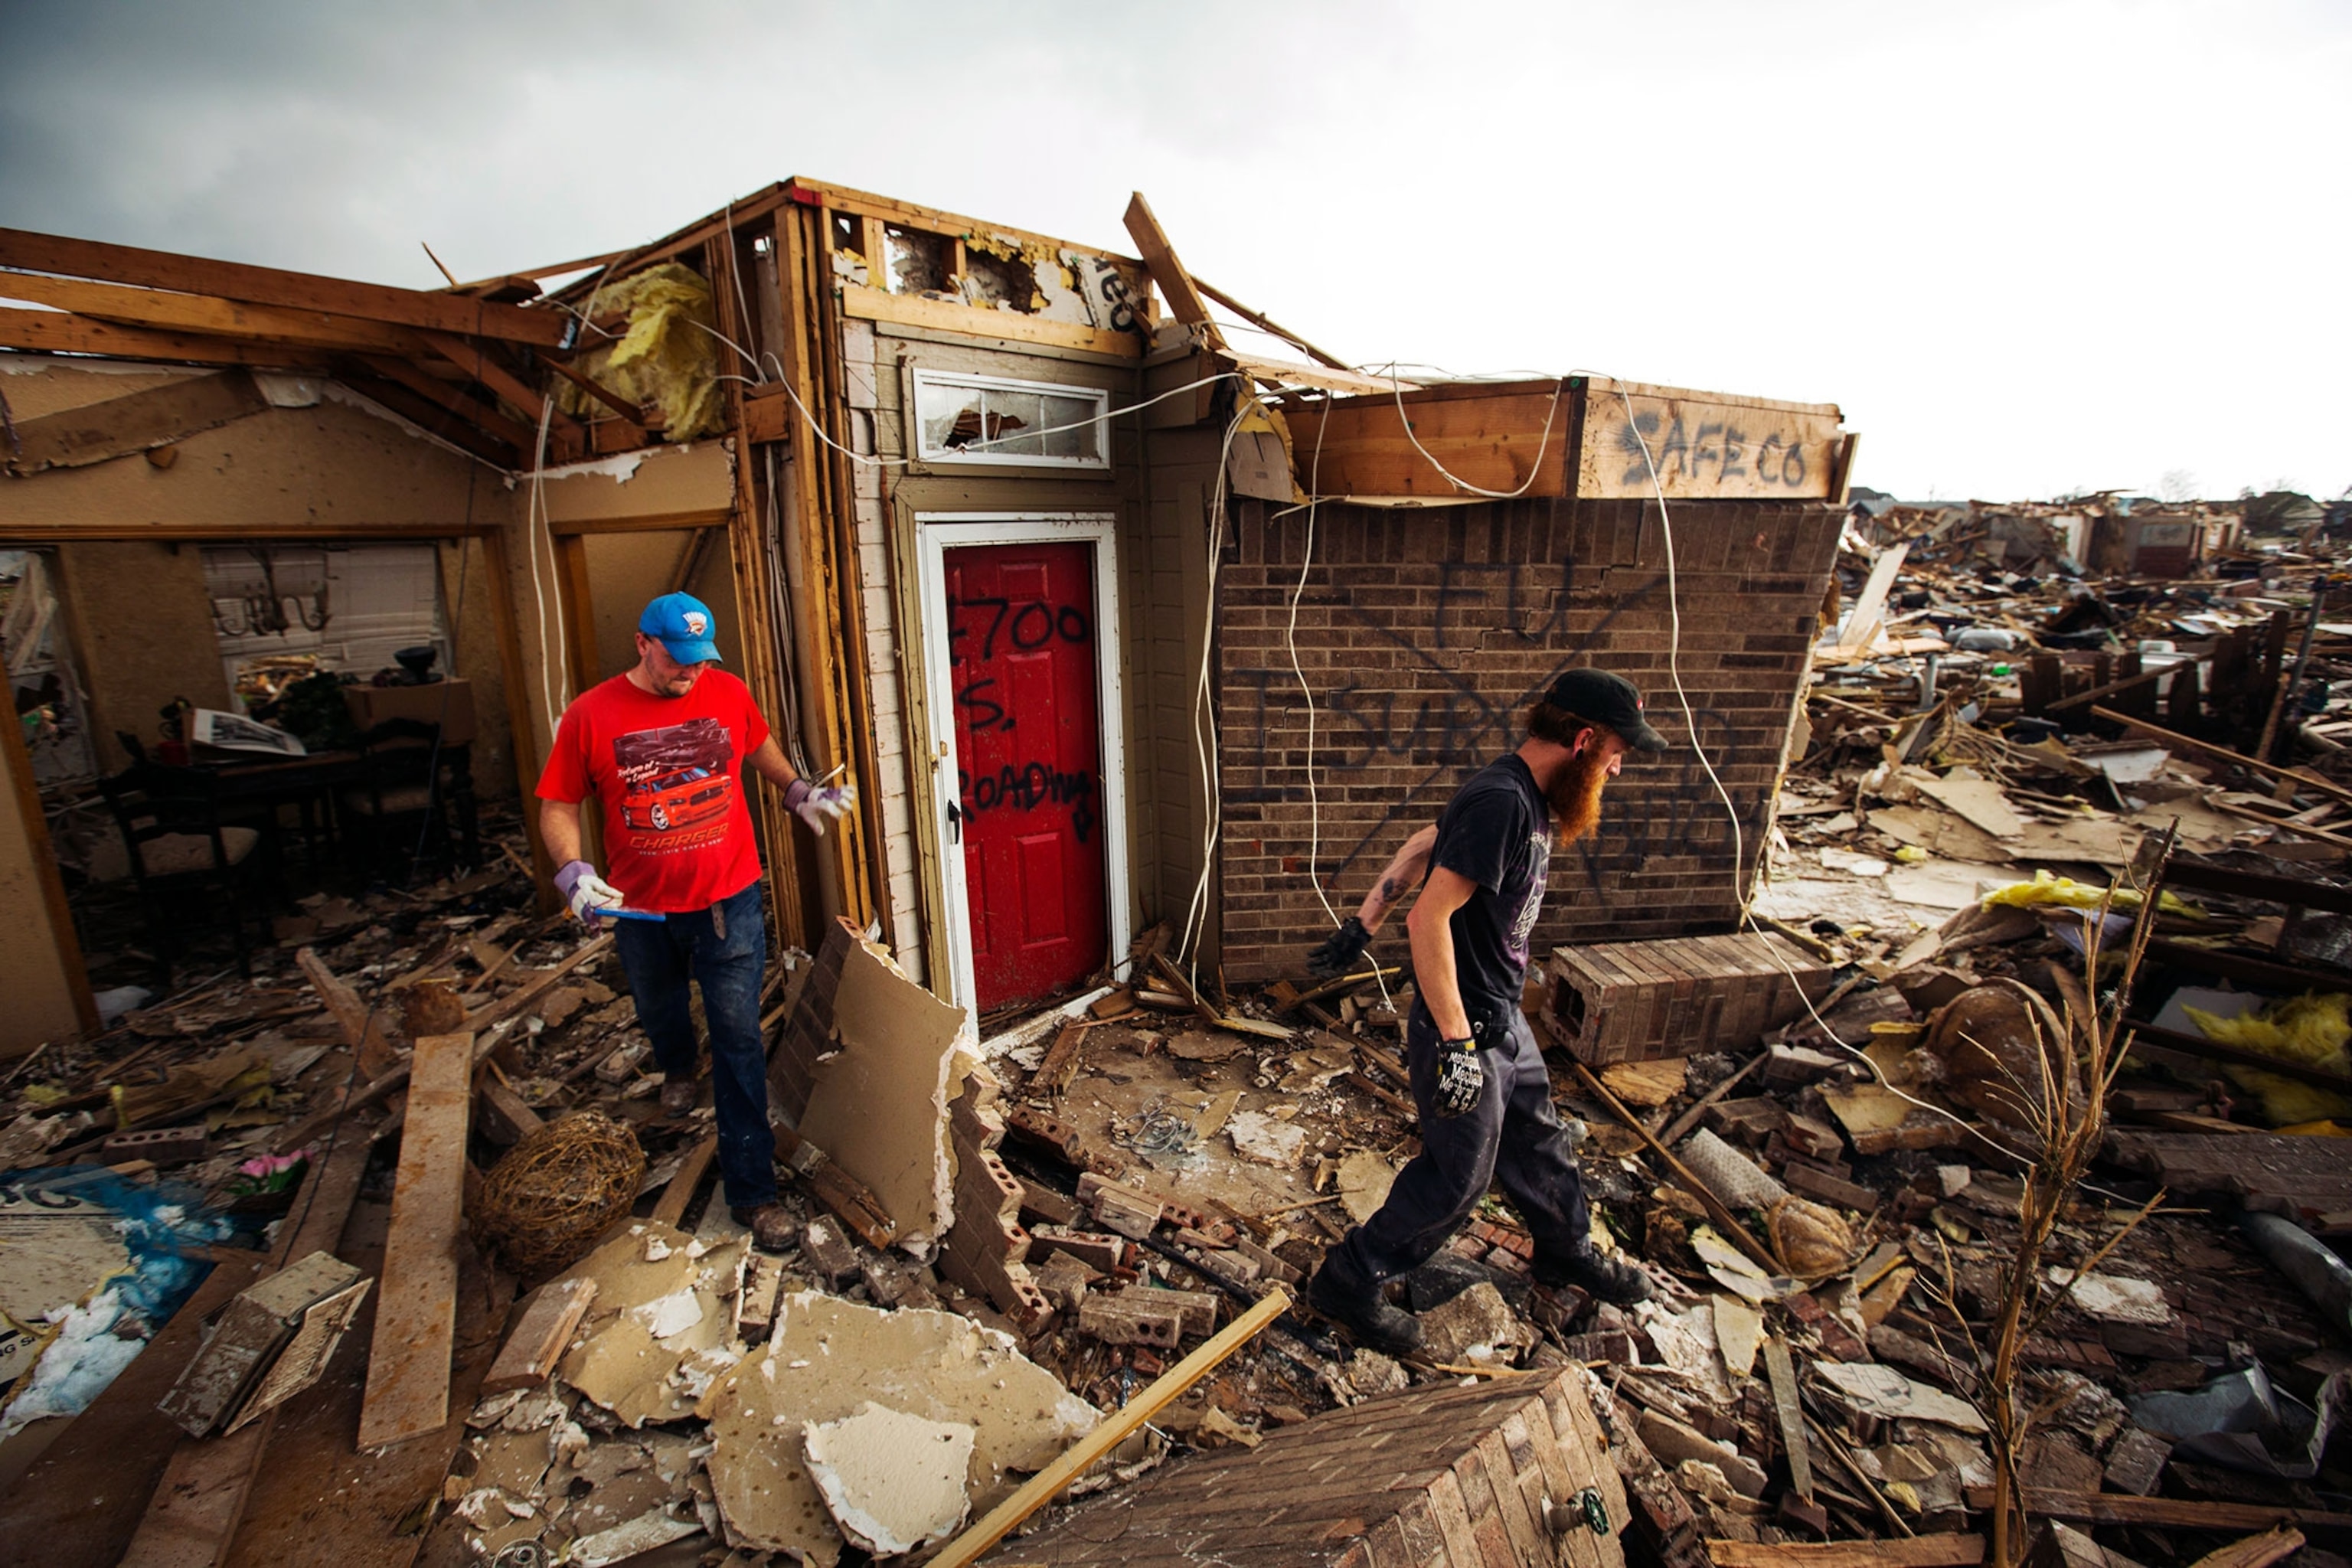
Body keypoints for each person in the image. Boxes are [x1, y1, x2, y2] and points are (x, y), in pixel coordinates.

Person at [1305, 667, 1664, 1353]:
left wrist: (1361, 922)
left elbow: (1421, 843)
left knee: (1538, 1138)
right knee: (1459, 1176)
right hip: (1462, 1020)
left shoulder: (1521, 795)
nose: (1617, 768)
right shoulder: (1503, 801)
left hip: (1501, 1013)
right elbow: (1431, 921)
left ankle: (1565, 1248)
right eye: (1618, 752)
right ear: (1584, 739)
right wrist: (1457, 1043)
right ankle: (1348, 1281)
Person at [537, 593, 854, 1253]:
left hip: (727, 902)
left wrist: (797, 792)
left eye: (699, 661)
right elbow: (560, 805)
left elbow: (756, 745)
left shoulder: (726, 690)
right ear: (642, 643)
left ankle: (751, 1191)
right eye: (677, 661)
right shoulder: (589, 716)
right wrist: (572, 873)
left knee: (738, 1038)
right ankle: (677, 1066)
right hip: (641, 907)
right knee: (658, 1006)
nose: (690, 674)